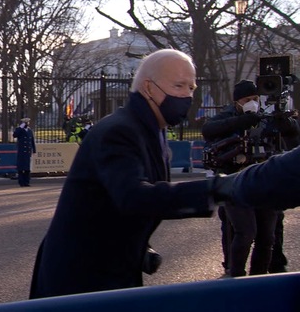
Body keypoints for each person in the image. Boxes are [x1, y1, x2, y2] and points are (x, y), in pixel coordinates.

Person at [29, 49, 234, 299]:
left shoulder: (148, 128)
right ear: (149, 87)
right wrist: (216, 189)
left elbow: (108, 202)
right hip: (81, 279)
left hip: (110, 268)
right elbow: (133, 196)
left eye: (191, 87)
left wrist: (138, 244)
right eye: (179, 85)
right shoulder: (119, 131)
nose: (187, 95)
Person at [202, 79, 298, 277]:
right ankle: (234, 273)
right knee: (244, 233)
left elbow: (292, 139)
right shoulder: (227, 116)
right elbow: (209, 130)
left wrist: (286, 124)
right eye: (247, 99)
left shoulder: (266, 117)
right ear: (237, 101)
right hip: (235, 180)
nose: (252, 103)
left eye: (255, 98)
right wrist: (243, 121)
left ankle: (259, 276)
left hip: (265, 179)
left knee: (267, 237)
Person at [13, 118, 36, 187]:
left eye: (27, 122)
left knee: (27, 168)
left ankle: (26, 182)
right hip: (21, 152)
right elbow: (15, 135)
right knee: (21, 168)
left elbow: (32, 141)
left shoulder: (29, 130)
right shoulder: (20, 130)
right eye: (25, 123)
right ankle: (21, 182)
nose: (26, 124)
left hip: (28, 152)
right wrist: (20, 127)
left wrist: (34, 150)